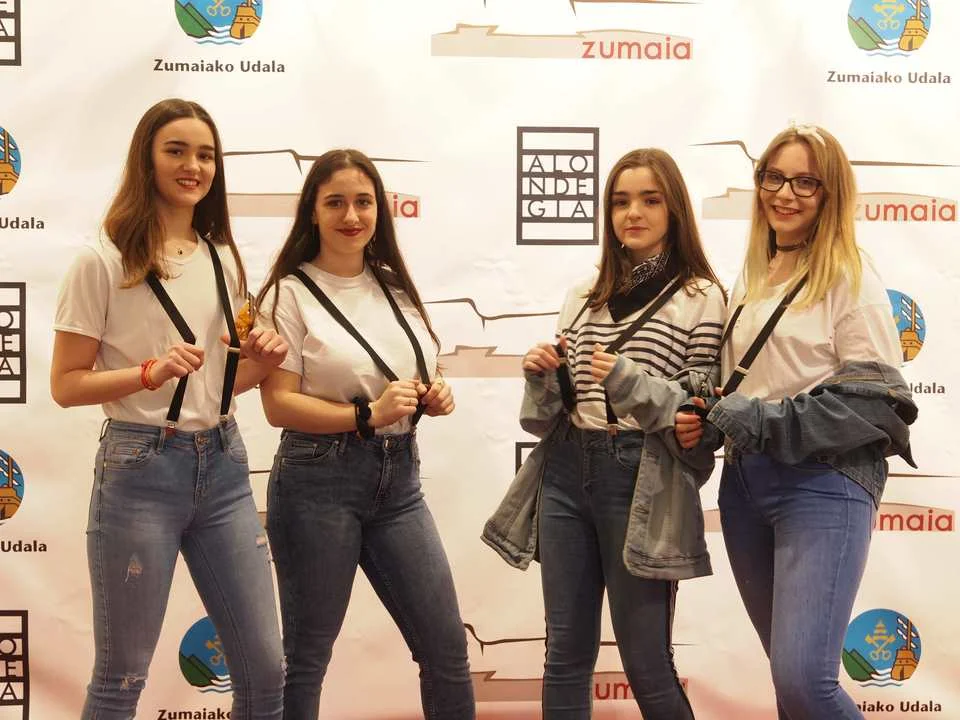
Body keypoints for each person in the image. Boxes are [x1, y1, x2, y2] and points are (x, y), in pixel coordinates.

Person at [51, 99, 288, 719]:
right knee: (122, 676)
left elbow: (225, 382)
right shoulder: (101, 259)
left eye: (206, 155)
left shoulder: (221, 255)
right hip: (140, 468)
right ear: (146, 160)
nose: (194, 166)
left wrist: (267, 356)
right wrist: (147, 372)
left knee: (266, 669)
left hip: (225, 465)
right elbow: (66, 384)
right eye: (176, 151)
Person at [675, 124, 914, 720]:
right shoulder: (754, 275)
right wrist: (714, 419)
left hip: (822, 484)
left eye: (806, 182)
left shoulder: (850, 276)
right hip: (745, 487)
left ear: (831, 193)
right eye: (774, 177)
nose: (785, 193)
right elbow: (750, 388)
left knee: (806, 682)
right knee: (792, 690)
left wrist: (758, 418)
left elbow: (877, 406)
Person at [255, 148, 475, 720]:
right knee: (306, 658)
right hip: (317, 482)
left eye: (363, 202)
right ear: (312, 211)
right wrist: (365, 415)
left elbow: (412, 368)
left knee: (447, 649)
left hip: (399, 481)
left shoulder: (393, 285)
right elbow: (278, 405)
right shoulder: (288, 293)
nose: (351, 216)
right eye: (335, 203)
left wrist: (435, 393)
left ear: (380, 208)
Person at [516, 148, 726, 719]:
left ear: (674, 209)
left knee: (646, 661)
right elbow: (545, 416)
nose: (633, 213)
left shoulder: (700, 296)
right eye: (620, 201)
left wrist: (631, 383)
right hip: (566, 467)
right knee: (564, 653)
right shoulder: (584, 293)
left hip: (641, 473)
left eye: (650, 200)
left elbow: (701, 415)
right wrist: (542, 377)